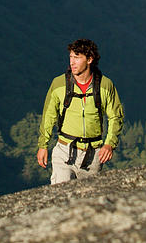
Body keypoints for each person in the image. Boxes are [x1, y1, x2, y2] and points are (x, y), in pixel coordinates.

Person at [37, 38, 123, 184]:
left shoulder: (105, 85)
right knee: (60, 196)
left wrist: (109, 144)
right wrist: (43, 145)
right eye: (71, 57)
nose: (72, 62)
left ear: (89, 59)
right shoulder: (58, 84)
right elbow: (48, 116)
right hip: (65, 151)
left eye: (77, 58)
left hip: (93, 154)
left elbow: (116, 117)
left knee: (88, 201)